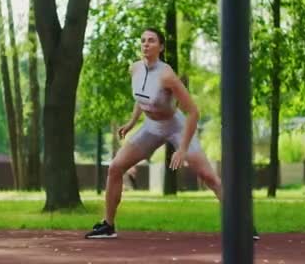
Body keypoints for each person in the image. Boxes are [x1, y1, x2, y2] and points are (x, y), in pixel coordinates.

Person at [85, 28, 258, 241]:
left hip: (176, 127)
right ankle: (108, 225)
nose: (146, 44)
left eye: (151, 41)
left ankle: (243, 224)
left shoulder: (167, 76)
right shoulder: (135, 69)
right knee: (115, 168)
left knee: (208, 176)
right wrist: (131, 122)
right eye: (143, 41)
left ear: (161, 47)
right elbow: (141, 98)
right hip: (150, 128)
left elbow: (194, 112)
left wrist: (183, 148)